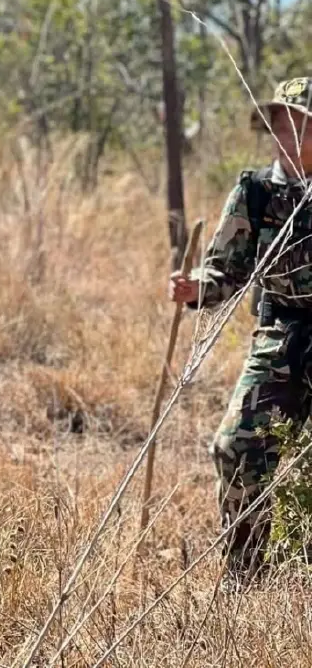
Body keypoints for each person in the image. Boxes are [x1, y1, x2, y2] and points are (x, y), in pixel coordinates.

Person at [170, 76, 312, 584]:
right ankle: (247, 575)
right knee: (235, 446)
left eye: (302, 126)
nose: (289, 137)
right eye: (281, 125)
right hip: (281, 336)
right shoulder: (255, 192)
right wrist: (195, 288)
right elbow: (224, 270)